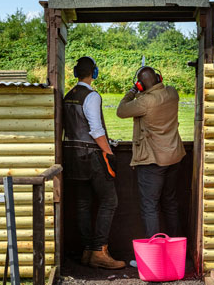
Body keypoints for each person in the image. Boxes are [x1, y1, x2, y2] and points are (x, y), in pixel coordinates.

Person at [62, 56, 125, 269]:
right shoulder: (92, 96)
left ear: (75, 73)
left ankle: (88, 251)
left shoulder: (68, 95)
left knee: (83, 204)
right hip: (91, 156)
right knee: (110, 201)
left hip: (72, 156)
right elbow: (96, 130)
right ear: (94, 73)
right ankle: (100, 250)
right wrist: (109, 153)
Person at [116, 66, 186, 238]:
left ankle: (154, 254)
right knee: (170, 203)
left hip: (152, 161)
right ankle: (177, 248)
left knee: (150, 207)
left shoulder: (145, 102)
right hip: (174, 157)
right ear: (159, 78)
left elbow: (121, 111)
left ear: (140, 85)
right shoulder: (172, 93)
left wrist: (132, 92)